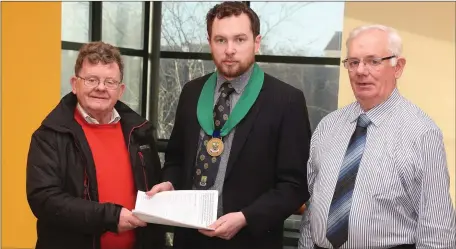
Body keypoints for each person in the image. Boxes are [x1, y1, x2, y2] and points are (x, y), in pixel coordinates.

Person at [147, 2, 311, 249]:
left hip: (250, 240)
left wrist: (245, 218)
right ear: (210, 41)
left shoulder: (286, 100)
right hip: (189, 239)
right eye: (221, 40)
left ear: (256, 42)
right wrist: (169, 183)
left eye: (240, 39)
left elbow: (294, 186)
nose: (230, 49)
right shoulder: (192, 92)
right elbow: (176, 160)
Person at [299, 24, 456, 249]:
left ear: (398, 67)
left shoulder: (422, 133)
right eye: (353, 62)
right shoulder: (328, 126)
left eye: (373, 61)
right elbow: (312, 208)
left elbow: (437, 230)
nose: (361, 71)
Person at [26, 41, 165, 249]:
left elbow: (154, 192)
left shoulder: (141, 134)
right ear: (75, 84)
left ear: (120, 90)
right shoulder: (49, 135)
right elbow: (44, 200)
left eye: (110, 82)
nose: (101, 88)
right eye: (91, 80)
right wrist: (109, 217)